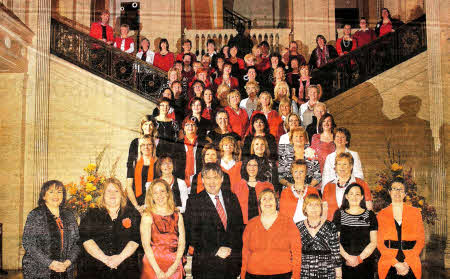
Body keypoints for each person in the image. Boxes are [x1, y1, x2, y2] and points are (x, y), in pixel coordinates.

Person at [185, 163, 244, 279]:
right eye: (208, 178)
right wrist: (215, 250)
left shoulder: (232, 198)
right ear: (202, 180)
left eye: (215, 177)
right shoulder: (194, 202)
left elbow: (239, 229)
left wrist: (232, 251)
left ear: (222, 179)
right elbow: (192, 235)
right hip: (206, 267)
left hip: (230, 266)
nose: (212, 182)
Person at [78, 178, 140, 279]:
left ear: (121, 194)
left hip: (125, 267)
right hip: (96, 268)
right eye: (109, 191)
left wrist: (119, 258)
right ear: (103, 195)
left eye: (116, 191)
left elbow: (136, 239)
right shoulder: (91, 213)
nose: (113, 194)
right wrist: (106, 260)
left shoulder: (132, 214)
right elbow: (86, 239)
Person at [22, 180, 80, 279]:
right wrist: (50, 263)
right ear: (43, 196)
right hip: (39, 269)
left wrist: (68, 262)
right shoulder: (35, 214)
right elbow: (28, 243)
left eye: (59, 192)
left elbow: (77, 242)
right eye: (51, 192)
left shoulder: (69, 215)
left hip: (65, 269)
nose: (56, 195)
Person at [241, 188, 301, 279]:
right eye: (264, 199)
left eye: (271, 198)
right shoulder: (251, 224)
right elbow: (245, 253)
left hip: (283, 275)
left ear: (276, 203)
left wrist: (296, 276)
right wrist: (242, 275)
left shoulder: (288, 222)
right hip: (253, 275)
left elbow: (297, 252)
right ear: (260, 204)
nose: (267, 202)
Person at [377, 177, 425, 279]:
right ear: (389, 192)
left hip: (411, 261)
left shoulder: (415, 213)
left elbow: (420, 240)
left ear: (405, 194)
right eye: (394, 188)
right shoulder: (381, 214)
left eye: (401, 189)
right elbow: (379, 243)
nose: (397, 192)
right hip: (389, 261)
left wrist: (407, 263)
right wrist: (396, 264)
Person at [140, 179, 185, 279]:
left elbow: (182, 243)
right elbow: (146, 245)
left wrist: (174, 266)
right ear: (151, 196)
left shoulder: (178, 216)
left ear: (168, 193)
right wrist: (158, 271)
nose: (159, 195)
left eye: (162, 191)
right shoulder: (147, 216)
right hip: (153, 265)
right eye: (155, 192)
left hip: (174, 265)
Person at [333, 183, 378, 279]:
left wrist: (359, 259)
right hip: (344, 262)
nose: (354, 197)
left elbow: (373, 242)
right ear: (346, 196)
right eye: (351, 194)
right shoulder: (339, 214)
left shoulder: (370, 215)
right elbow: (335, 241)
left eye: (357, 194)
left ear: (362, 197)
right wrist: (348, 258)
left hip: (365, 262)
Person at [296, 194, 342, 279]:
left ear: (321, 208)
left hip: (327, 272)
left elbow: (336, 253)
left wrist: (339, 275)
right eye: (310, 205)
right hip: (304, 273)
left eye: (317, 205)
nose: (314, 208)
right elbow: (294, 253)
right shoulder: (297, 227)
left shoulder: (330, 226)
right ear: (305, 208)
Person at [322, 152, 373, 221]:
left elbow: (368, 208)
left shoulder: (361, 184)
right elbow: (324, 212)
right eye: (339, 164)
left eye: (345, 164)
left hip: (355, 226)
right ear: (335, 167)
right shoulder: (328, 186)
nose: (341, 167)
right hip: (332, 227)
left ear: (351, 166)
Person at [232, 155, 274, 224]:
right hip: (242, 226)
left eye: (255, 165)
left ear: (259, 167)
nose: (252, 168)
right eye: (249, 165)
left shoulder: (267, 186)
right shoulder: (237, 186)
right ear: (245, 167)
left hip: (263, 224)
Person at [278, 127, 321, 191]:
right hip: (288, 189)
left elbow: (318, 176)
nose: (298, 139)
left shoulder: (312, 152)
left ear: (306, 139)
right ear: (291, 139)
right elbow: (280, 176)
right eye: (296, 136)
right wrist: (289, 185)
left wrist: (309, 187)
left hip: (308, 189)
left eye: (301, 136)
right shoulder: (284, 153)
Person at [126, 135, 157, 213]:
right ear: (140, 147)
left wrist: (147, 205)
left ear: (153, 146)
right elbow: (129, 187)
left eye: (149, 144)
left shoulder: (159, 163)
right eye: (143, 145)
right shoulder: (133, 164)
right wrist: (137, 207)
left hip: (154, 204)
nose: (146, 147)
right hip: (134, 203)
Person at [173, 117, 205, 187]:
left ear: (197, 128)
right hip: (182, 181)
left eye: (193, 125)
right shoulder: (177, 145)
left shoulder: (203, 144)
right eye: (187, 125)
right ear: (184, 128)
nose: (190, 127)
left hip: (199, 180)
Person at [127, 116, 158, 187]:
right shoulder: (135, 142)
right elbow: (130, 162)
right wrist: (129, 180)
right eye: (146, 124)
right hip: (139, 175)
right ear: (142, 126)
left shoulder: (158, 142)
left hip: (154, 175)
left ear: (154, 127)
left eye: (151, 125)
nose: (148, 127)